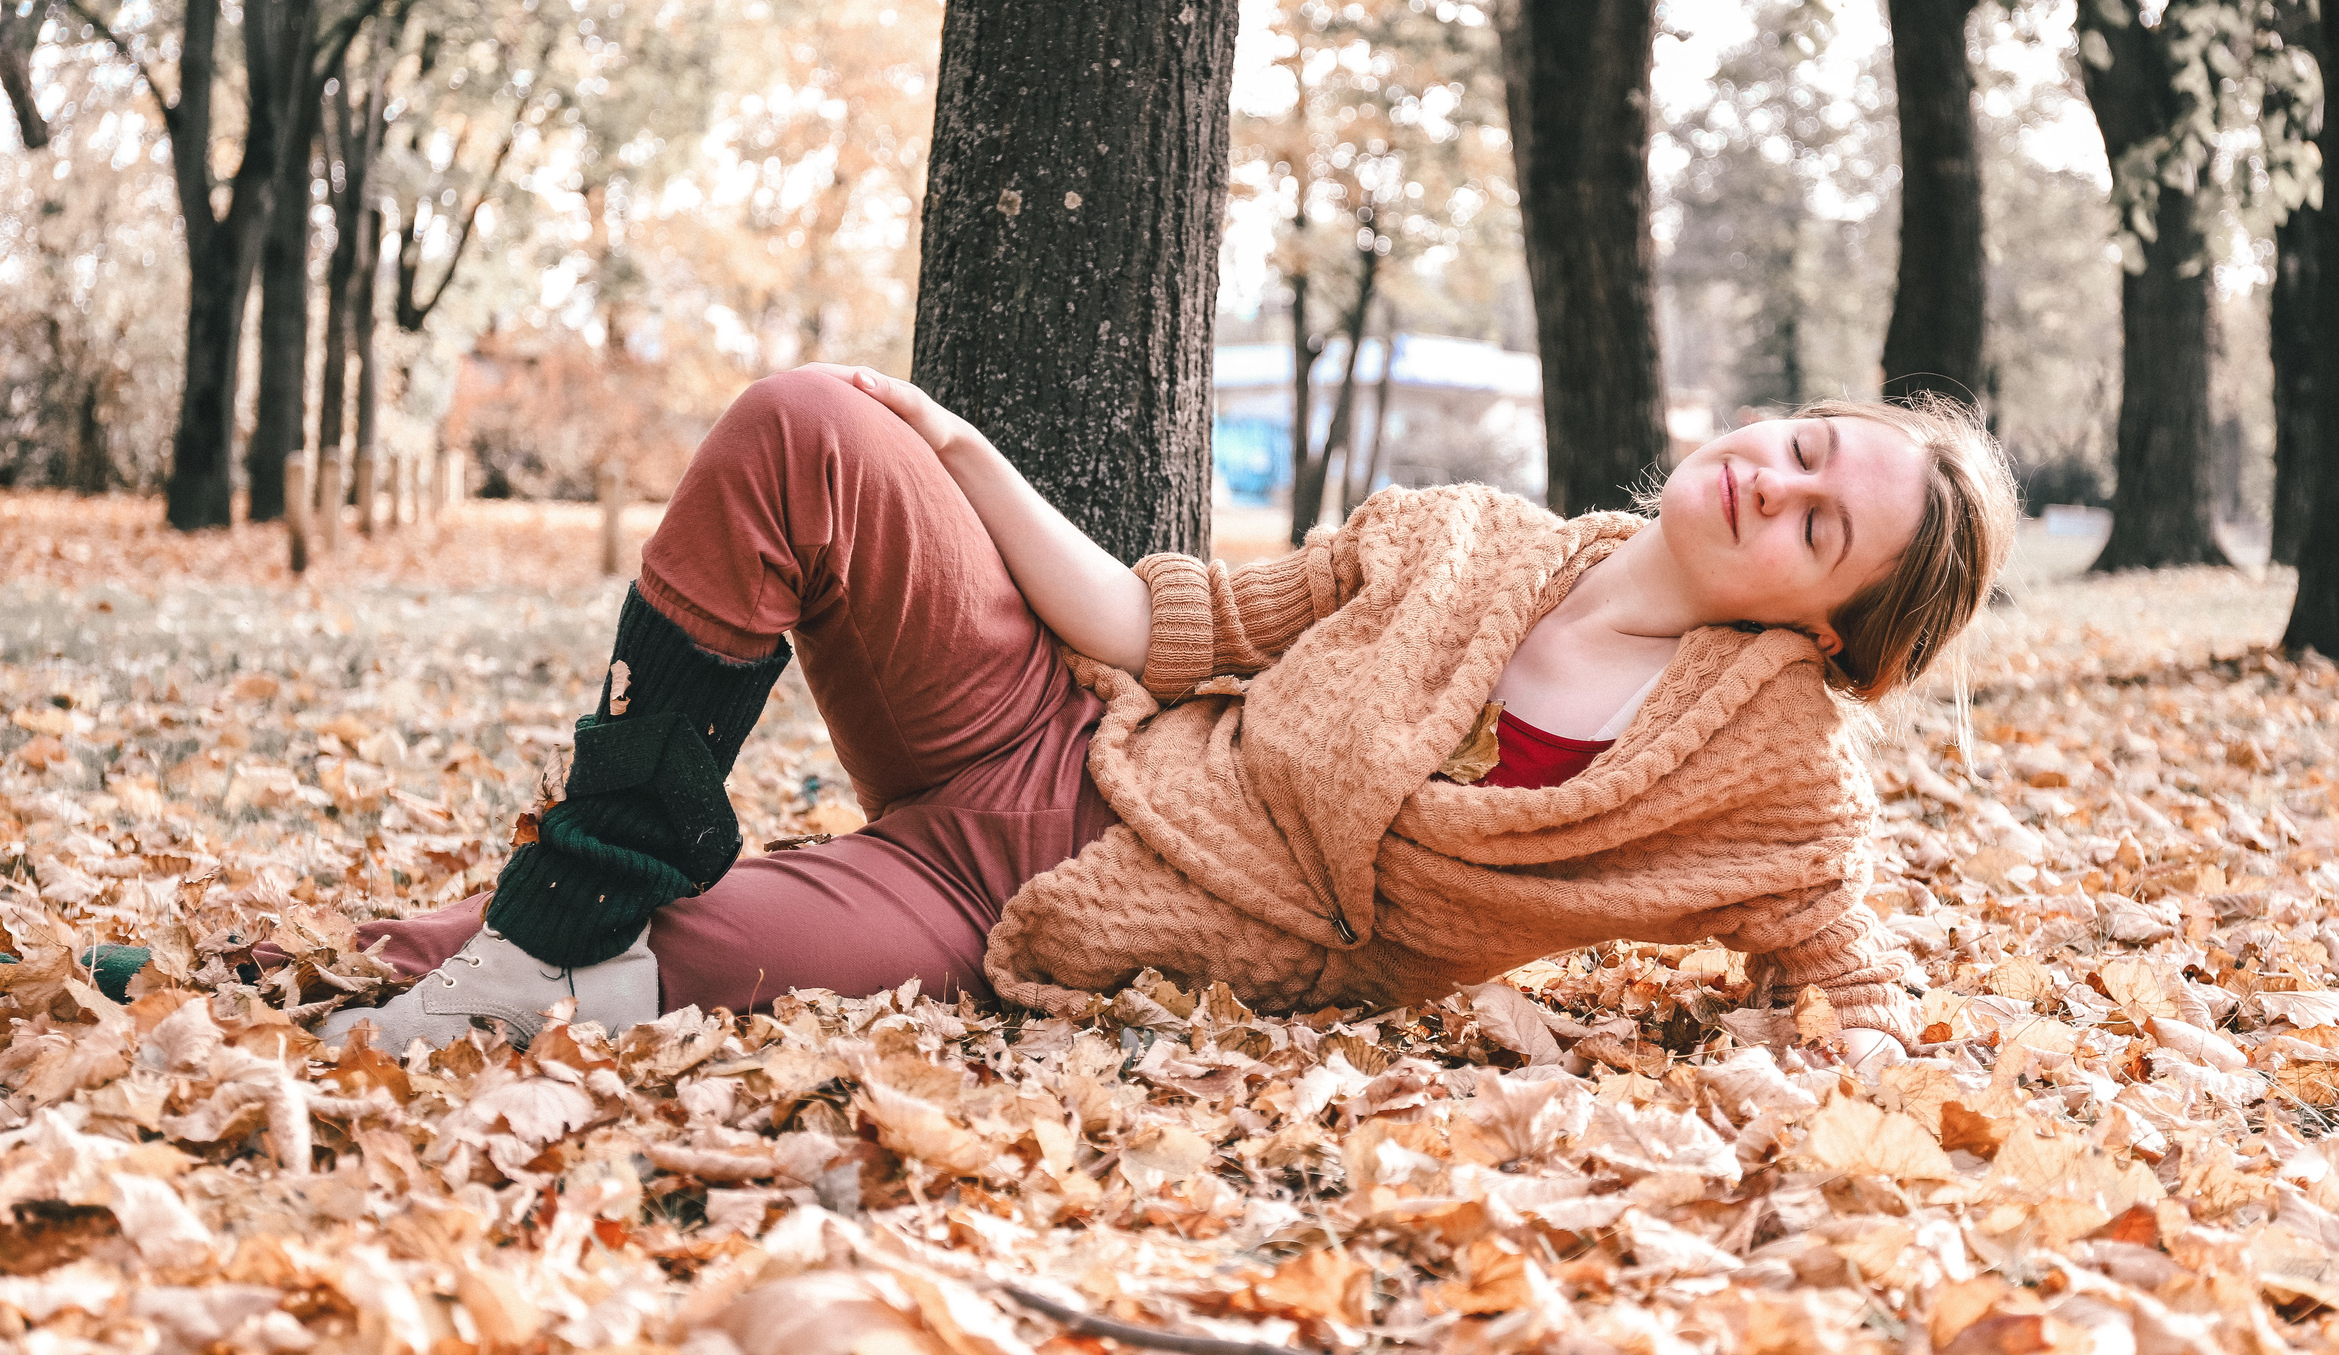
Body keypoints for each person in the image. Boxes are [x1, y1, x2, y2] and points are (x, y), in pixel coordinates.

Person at [328, 365, 2015, 1069]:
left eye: (1820, 524)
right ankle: (570, 877)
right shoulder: (1462, 535)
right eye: (1802, 445)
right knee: (807, 420)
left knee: (579, 977)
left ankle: (501, 938)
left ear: (1825, 622)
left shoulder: (1767, 763)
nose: (1769, 481)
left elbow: (1844, 954)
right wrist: (969, 462)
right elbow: (1161, 623)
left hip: (1031, 906)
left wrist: (1839, 1076)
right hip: (1043, 730)